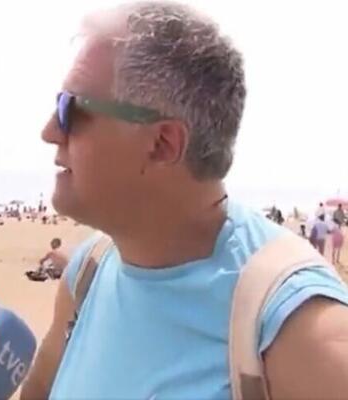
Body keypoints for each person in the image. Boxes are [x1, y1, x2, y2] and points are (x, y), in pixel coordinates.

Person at [21, 2, 348, 399]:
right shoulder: (87, 274)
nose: (49, 131)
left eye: (71, 110)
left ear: (162, 144)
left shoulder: (302, 333)